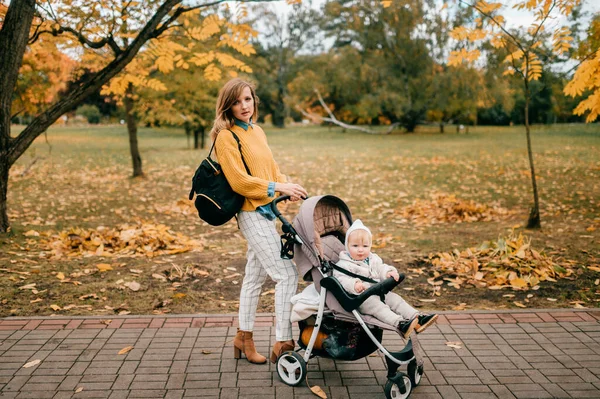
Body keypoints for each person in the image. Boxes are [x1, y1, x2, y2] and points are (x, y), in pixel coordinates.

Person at [210, 78, 308, 364]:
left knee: (253, 278)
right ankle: (283, 340)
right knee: (286, 274)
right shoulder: (226, 137)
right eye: (238, 101)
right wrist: (278, 188)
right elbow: (240, 181)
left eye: (248, 99)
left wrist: (287, 186)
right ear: (228, 105)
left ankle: (244, 337)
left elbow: (272, 169)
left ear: (254, 100)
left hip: (266, 211)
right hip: (250, 213)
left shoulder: (257, 130)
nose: (244, 106)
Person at [334, 219, 437, 339]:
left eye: (365, 246)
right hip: (361, 298)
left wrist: (388, 272)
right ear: (347, 246)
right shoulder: (344, 264)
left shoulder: (373, 259)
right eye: (355, 246)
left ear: (370, 246)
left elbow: (381, 268)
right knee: (379, 308)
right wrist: (354, 284)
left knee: (395, 300)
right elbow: (341, 279)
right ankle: (400, 323)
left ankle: (417, 318)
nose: (361, 250)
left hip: (378, 291)